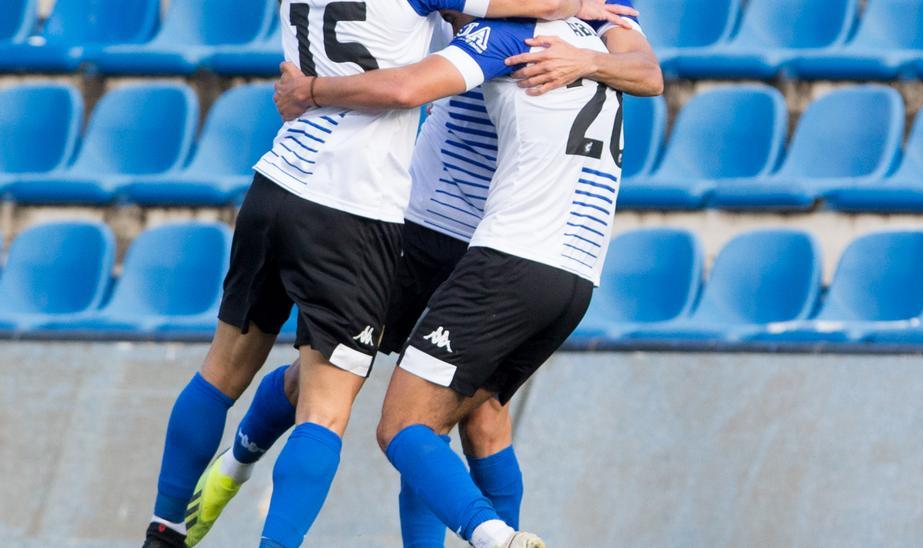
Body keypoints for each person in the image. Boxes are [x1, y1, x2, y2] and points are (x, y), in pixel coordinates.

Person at [140, 1, 636, 547]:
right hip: (403, 222)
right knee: (344, 400)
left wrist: (311, 89)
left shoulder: (517, 32)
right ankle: (235, 468)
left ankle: (182, 513)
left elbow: (643, 69)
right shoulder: (538, 25)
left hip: (318, 191)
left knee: (448, 415)